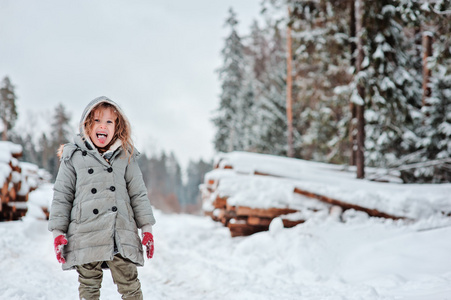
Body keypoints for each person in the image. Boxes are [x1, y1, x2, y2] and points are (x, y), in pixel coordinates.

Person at [48, 96, 156, 300]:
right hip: (85, 233)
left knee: (130, 285)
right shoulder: (73, 156)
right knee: (88, 288)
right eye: (97, 120)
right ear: (87, 124)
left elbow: (138, 194)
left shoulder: (125, 156)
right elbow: (62, 196)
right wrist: (58, 233)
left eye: (109, 121)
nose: (102, 126)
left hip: (119, 234)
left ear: (118, 127)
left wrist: (147, 230)